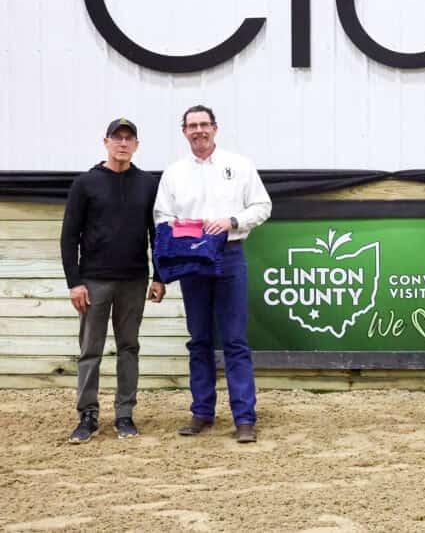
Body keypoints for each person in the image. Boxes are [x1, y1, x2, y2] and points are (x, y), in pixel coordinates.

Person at [154, 105, 271, 443]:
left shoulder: (240, 165)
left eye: (204, 124)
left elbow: (262, 207)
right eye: (193, 126)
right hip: (192, 261)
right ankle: (202, 412)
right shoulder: (173, 173)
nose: (199, 130)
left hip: (230, 256)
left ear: (215, 129)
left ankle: (244, 418)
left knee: (235, 340)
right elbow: (162, 217)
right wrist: (185, 230)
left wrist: (232, 221)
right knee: (199, 340)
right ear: (184, 132)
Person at [60, 118, 166, 443]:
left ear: (136, 145)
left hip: (134, 280)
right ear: (105, 141)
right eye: (117, 138)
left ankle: (125, 414)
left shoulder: (148, 184)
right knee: (90, 349)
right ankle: (87, 415)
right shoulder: (86, 184)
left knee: (129, 347)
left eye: (129, 138)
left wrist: (159, 276)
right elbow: (69, 236)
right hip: (93, 282)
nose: (123, 143)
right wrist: (74, 282)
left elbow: (156, 234)